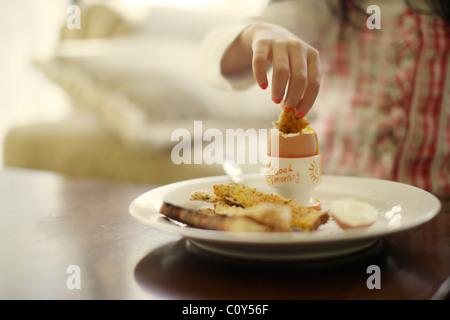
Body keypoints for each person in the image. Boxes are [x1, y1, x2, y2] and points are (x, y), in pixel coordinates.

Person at [201, 0, 449, 208]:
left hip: (439, 202)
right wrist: (256, 34)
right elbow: (214, 58)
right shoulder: (327, 5)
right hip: (334, 193)